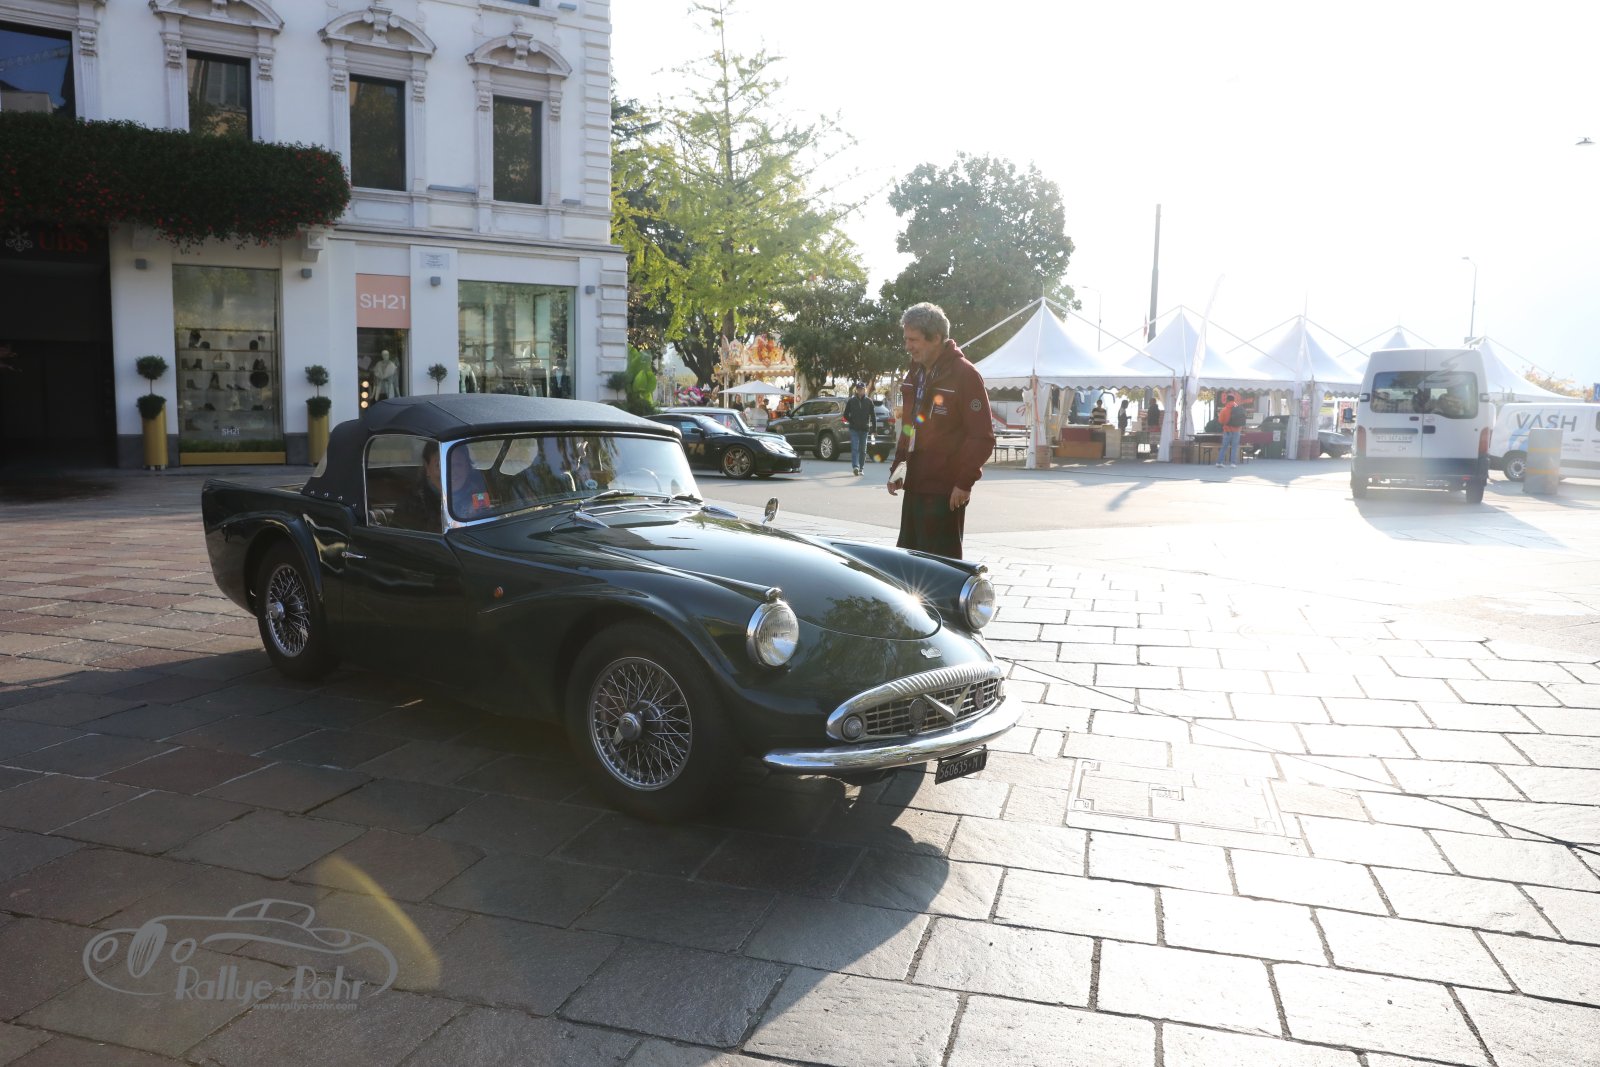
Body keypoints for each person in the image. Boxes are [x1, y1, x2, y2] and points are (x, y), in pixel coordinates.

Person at [887, 302, 995, 559]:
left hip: (945, 490)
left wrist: (964, 482)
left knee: (941, 565)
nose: (908, 346)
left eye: (913, 340)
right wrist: (899, 466)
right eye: (906, 339)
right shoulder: (914, 373)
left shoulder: (965, 374)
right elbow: (910, 426)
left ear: (935, 338)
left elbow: (982, 436)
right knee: (909, 561)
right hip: (915, 483)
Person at [844, 380, 877, 475]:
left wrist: (874, 429)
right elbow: (845, 415)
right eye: (858, 389)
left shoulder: (869, 401)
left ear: (865, 390)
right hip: (854, 429)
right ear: (856, 390)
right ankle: (855, 467)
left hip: (864, 429)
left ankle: (861, 468)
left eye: (862, 389)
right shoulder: (851, 401)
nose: (860, 390)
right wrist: (852, 421)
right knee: (854, 448)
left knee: (863, 450)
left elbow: (873, 416)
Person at [1217, 393, 1244, 468]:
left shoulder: (1224, 410)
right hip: (1237, 430)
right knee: (1235, 447)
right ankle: (1233, 463)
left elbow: (1220, 421)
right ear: (1233, 400)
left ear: (1227, 400)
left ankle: (1219, 462)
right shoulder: (1238, 408)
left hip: (1227, 430)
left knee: (1224, 447)